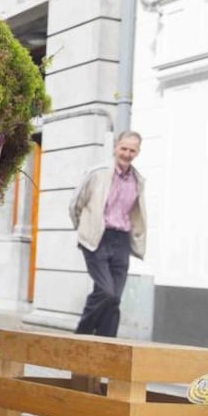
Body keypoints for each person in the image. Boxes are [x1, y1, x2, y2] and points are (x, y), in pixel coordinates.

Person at [69, 131, 147, 337]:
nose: (127, 154)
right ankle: (81, 335)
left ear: (138, 152)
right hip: (97, 238)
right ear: (115, 147)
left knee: (114, 299)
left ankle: (107, 349)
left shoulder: (138, 180)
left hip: (121, 240)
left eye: (132, 150)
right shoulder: (97, 173)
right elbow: (76, 204)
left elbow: (135, 212)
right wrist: (85, 228)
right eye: (124, 148)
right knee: (106, 292)